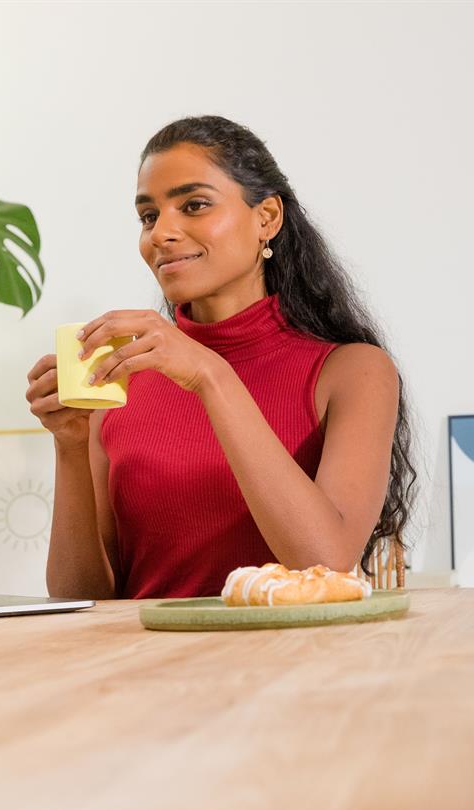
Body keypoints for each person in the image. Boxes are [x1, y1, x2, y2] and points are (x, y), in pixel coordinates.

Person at [25, 116, 416, 600]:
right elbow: (80, 600)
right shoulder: (123, 379)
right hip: (139, 670)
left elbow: (325, 562)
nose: (161, 234)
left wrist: (209, 372)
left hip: (290, 671)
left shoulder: (354, 372)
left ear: (267, 218)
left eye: (194, 205)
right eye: (148, 216)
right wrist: (69, 444)